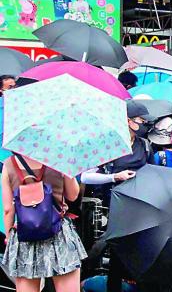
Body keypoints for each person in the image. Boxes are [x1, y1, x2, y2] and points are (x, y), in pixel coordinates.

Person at [81, 101, 153, 292]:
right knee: (117, 254)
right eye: (140, 120)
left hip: (141, 207)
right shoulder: (108, 144)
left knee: (140, 253)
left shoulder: (144, 145)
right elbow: (86, 176)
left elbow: (154, 173)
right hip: (116, 207)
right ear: (128, 121)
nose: (144, 123)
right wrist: (114, 177)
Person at [2, 153, 85, 291]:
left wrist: (9, 237)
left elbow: (7, 209)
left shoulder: (9, 164)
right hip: (59, 232)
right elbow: (72, 195)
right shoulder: (59, 158)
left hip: (24, 235)